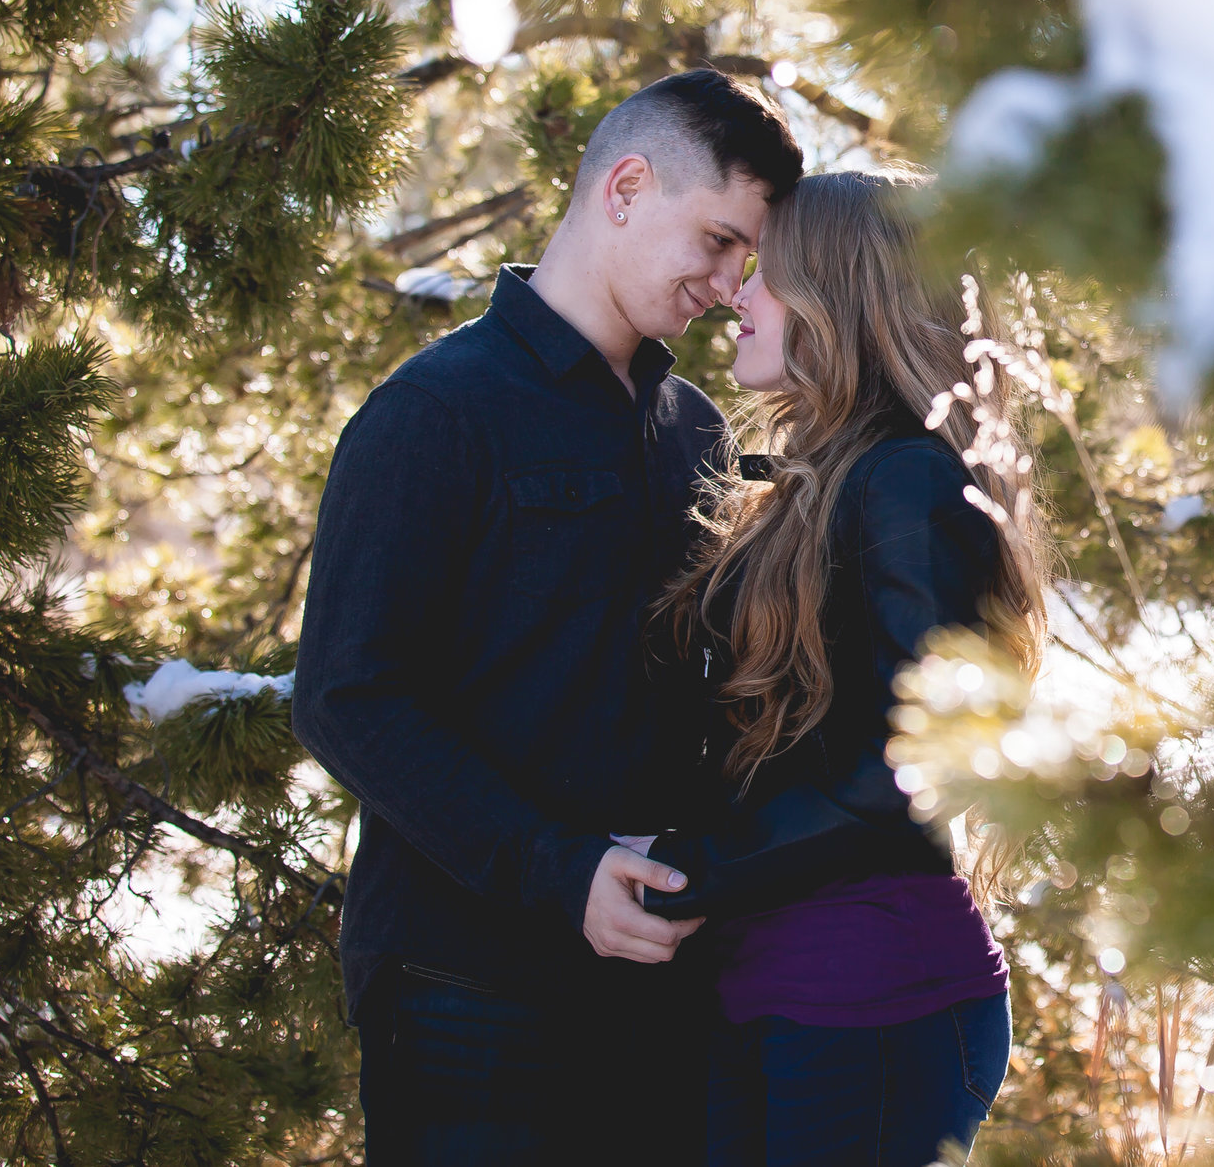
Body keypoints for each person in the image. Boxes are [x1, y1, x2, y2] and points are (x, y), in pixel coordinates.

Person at [293, 68, 802, 1165]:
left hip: (661, 998)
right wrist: (554, 866)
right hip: (466, 988)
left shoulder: (693, 429)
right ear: (625, 186)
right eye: (717, 240)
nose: (728, 283)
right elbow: (346, 695)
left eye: (746, 259)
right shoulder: (436, 410)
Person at [638, 170, 1051, 1166]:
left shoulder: (910, 482)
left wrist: (693, 868)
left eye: (766, 274)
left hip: (870, 993)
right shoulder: (818, 480)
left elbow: (918, 756)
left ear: (837, 294)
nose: (736, 290)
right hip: (780, 983)